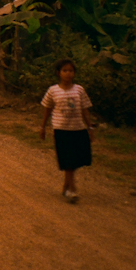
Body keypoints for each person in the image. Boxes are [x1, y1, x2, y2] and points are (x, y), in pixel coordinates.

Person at [39, 58, 93, 203]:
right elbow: (47, 109)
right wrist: (43, 127)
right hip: (61, 129)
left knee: (76, 159)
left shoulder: (79, 90)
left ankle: (66, 186)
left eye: (71, 71)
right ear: (58, 73)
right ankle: (72, 189)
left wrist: (90, 127)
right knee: (67, 159)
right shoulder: (53, 91)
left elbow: (85, 109)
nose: (68, 74)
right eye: (65, 71)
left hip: (78, 128)